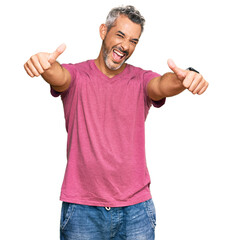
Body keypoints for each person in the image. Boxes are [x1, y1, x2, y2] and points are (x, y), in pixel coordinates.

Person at [24, 5, 208, 240]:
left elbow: (163, 84)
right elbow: (57, 75)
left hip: (136, 211)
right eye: (120, 35)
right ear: (104, 31)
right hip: (82, 208)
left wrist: (186, 78)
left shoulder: (141, 79)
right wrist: (43, 64)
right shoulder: (77, 76)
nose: (125, 46)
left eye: (133, 41)